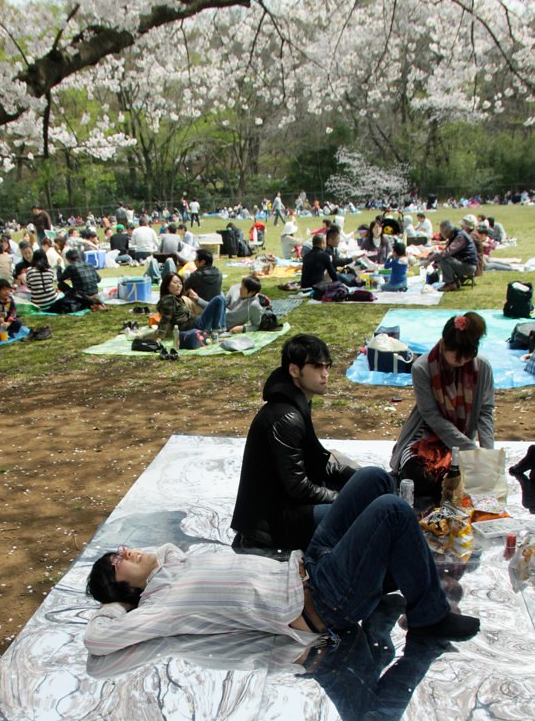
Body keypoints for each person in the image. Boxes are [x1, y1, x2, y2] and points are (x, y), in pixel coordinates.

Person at [84, 467, 481, 680]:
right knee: (391, 510)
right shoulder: (162, 607)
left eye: (117, 551)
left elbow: (161, 556)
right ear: (124, 588)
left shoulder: (176, 563)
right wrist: (116, 606)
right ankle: (429, 616)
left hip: (309, 562)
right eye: (116, 562)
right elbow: (100, 639)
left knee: (374, 479)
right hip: (326, 600)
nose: (124, 551)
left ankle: (389, 566)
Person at [231, 334, 356, 553]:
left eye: (327, 367)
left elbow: (315, 462)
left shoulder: (296, 403)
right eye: (317, 367)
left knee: (365, 484)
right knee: (359, 512)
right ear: (294, 370)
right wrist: (343, 498)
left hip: (287, 506)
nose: (325, 374)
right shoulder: (285, 417)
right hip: (274, 527)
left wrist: (354, 477)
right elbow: (298, 487)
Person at [390, 312, 494, 502]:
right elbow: (431, 416)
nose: (462, 363)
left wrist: (487, 456)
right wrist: (470, 449)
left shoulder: (483, 367)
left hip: (460, 441)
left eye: (467, 358)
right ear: (444, 344)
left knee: (466, 483)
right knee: (422, 481)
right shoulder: (422, 368)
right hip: (424, 440)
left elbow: (485, 412)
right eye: (457, 358)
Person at [154, 272, 226, 341]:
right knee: (219, 299)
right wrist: (159, 337)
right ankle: (217, 332)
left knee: (221, 299)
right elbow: (165, 319)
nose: (178, 285)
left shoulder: (176, 299)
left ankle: (218, 331)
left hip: (196, 324)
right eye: (175, 283)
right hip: (194, 327)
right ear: (167, 285)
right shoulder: (168, 300)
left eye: (180, 283)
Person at [425, 220, 477, 291]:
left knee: (445, 259)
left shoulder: (460, 237)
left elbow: (447, 252)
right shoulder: (454, 236)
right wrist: (436, 262)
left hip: (469, 266)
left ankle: (450, 284)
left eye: (443, 233)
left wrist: (430, 259)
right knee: (443, 258)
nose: (442, 235)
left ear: (448, 231)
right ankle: (453, 282)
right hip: (463, 263)